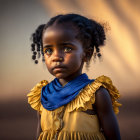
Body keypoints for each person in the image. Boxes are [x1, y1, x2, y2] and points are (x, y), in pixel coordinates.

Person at [27, 13, 121, 140]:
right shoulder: (43, 95)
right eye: (48, 50)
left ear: (86, 54)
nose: (56, 57)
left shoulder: (96, 94)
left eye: (66, 49)